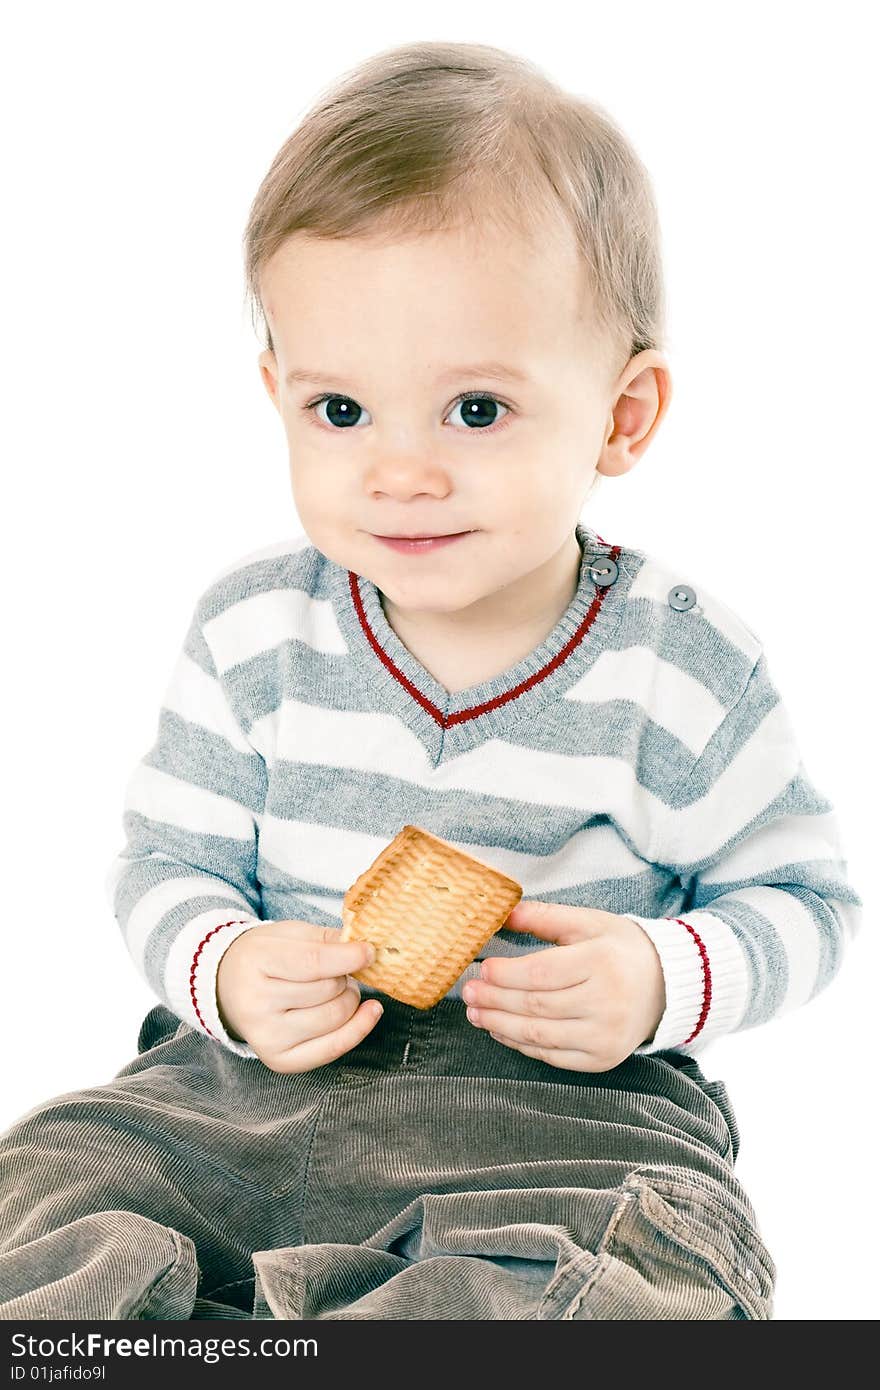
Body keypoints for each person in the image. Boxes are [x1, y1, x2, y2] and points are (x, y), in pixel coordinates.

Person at [0, 39, 863, 1322]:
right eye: (340, 412)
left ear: (621, 417)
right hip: (245, 1095)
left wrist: (655, 976)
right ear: (277, 395)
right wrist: (228, 971)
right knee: (58, 1175)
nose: (398, 472)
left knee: (622, 1273)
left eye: (473, 412)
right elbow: (162, 867)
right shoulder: (252, 631)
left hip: (563, 1121)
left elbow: (804, 902)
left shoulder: (680, 662)